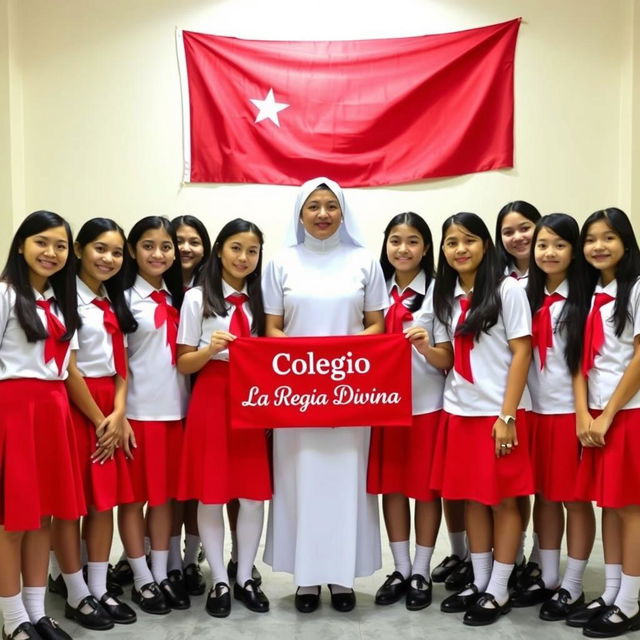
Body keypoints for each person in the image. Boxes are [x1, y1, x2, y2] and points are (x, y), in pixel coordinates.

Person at [262, 176, 387, 613]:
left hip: (351, 394)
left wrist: (337, 357)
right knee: (299, 484)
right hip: (295, 397)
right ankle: (306, 579)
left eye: (330, 206)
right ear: (300, 213)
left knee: (346, 484)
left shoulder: (364, 261)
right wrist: (307, 364)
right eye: (313, 206)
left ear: (343, 212)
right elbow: (272, 328)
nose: (322, 214)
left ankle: (342, 576)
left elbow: (377, 324)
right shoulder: (280, 262)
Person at [431, 212, 534, 626]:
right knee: (472, 497)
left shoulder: (506, 289)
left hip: (498, 412)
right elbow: (449, 360)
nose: (460, 249)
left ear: (485, 245)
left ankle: (500, 588)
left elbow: (522, 352)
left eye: (469, 240)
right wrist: (422, 346)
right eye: (452, 242)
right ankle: (480, 579)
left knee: (504, 500)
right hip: (460, 409)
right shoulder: (446, 295)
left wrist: (506, 415)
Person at [176, 218, 271, 617]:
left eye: (252, 250)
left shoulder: (267, 299)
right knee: (212, 494)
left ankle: (245, 574)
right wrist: (210, 349)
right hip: (213, 396)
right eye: (236, 248)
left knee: (251, 495)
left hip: (255, 399)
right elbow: (183, 362)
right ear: (219, 251)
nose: (244, 257)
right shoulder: (198, 298)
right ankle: (217, 578)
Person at [0, 211, 83, 640]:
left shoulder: (59, 302)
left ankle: (37, 612)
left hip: (53, 412)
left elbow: (66, 368)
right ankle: (13, 620)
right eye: (41, 242)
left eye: (60, 245)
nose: (51, 252)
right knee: (13, 521)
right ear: (20, 246)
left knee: (43, 517)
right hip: (15, 411)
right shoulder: (4, 295)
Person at [367, 212, 452, 611]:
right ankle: (400, 568)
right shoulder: (374, 290)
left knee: (424, 490)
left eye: (413, 240)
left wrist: (424, 347)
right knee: (394, 488)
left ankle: (421, 568)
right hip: (384, 407)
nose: (404, 249)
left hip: (426, 405)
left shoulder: (440, 292)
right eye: (396, 240)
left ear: (426, 248)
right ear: (385, 245)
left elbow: (447, 360)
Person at [512, 214, 595, 619]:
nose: (549, 252)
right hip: (534, 412)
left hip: (570, 413)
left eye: (560, 245)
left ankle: (574, 585)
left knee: (574, 501)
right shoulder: (523, 297)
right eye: (543, 244)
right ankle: (547, 579)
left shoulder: (587, 298)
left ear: (574, 251)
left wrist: (583, 414)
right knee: (543, 496)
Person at [58, 218, 139, 627]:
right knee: (72, 505)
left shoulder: (112, 298)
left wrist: (119, 413)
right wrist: (99, 419)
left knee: (103, 502)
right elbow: (68, 367)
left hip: (110, 406)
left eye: (116, 252)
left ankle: (99, 585)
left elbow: (121, 364)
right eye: (100, 249)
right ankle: (75, 593)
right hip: (79, 407)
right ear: (79, 250)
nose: (108, 258)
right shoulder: (65, 300)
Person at [571, 208, 640, 638]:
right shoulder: (591, 291)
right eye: (591, 239)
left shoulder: (635, 290)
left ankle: (630, 602)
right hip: (596, 417)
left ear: (626, 243)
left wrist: (609, 413)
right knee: (610, 507)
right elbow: (578, 361)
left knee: (631, 510)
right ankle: (612, 590)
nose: (599, 246)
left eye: (609, 237)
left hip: (627, 413)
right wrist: (584, 415)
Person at [119, 216, 190, 615]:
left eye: (166, 247)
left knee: (163, 499)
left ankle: (161, 573)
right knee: (134, 500)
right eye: (148, 246)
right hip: (138, 414)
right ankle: (142, 579)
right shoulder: (124, 300)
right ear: (133, 250)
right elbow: (119, 365)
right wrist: (122, 413)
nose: (158, 254)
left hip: (176, 413)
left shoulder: (185, 298)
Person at [167, 214, 212, 597]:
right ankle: (162, 560)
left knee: (198, 486)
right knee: (168, 487)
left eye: (194, 241)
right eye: (176, 240)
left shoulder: (209, 291)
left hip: (203, 398)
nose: (185, 248)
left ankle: (192, 557)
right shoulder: (154, 287)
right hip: (162, 400)